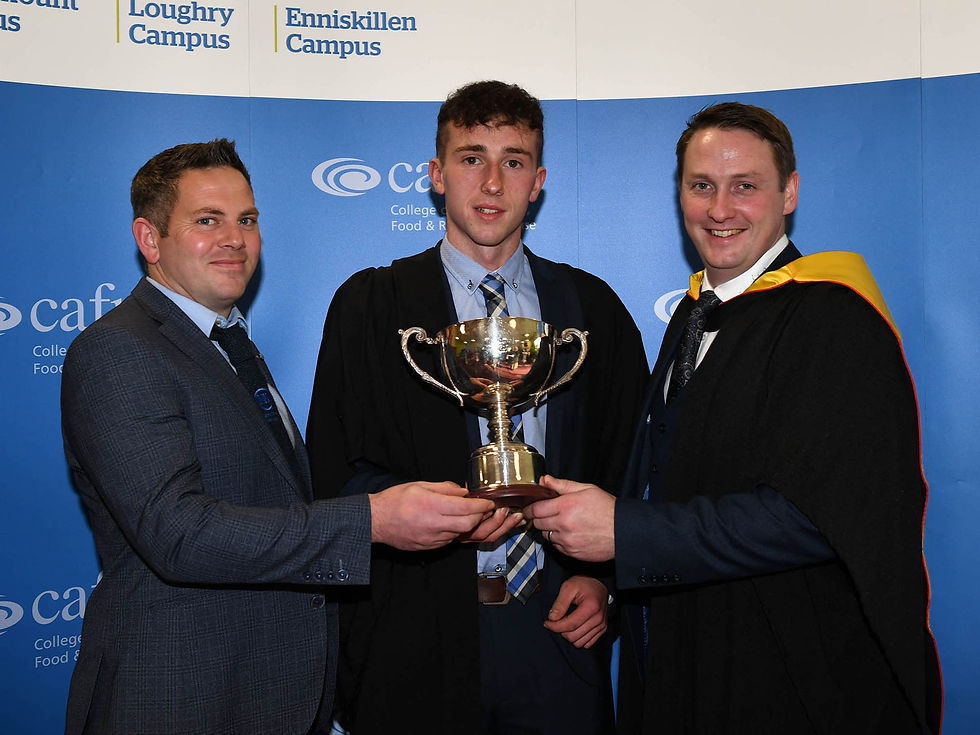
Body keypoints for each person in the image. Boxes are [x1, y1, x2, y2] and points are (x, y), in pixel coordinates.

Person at [526, 102, 942, 733]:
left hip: (791, 678)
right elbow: (679, 475)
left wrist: (627, 534)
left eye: (745, 186)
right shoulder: (694, 318)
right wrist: (608, 577)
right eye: (701, 186)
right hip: (688, 660)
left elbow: (817, 517)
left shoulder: (835, 322)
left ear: (790, 192)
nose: (720, 210)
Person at [60, 139, 501, 735]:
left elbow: (273, 506)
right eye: (207, 221)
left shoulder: (228, 346)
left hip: (268, 696)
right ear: (149, 239)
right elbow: (180, 535)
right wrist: (371, 520)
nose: (234, 239)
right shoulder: (120, 350)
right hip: (180, 701)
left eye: (246, 220)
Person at [306, 81, 648, 734]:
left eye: (513, 161)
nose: (491, 183)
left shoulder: (590, 311)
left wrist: (602, 576)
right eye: (471, 158)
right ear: (436, 175)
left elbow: (633, 469)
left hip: (557, 634)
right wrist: (425, 509)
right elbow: (331, 473)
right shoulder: (373, 307)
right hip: (415, 632)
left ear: (538, 180)